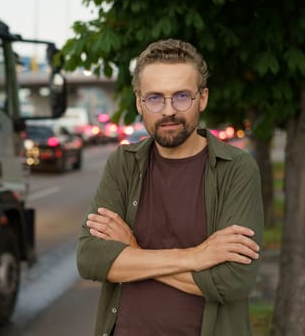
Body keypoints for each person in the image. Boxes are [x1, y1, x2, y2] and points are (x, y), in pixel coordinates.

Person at [76, 38, 263, 336]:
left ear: (202, 98)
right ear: (139, 101)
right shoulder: (123, 164)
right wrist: (196, 257)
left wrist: (133, 252)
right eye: (154, 98)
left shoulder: (236, 169)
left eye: (181, 97)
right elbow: (91, 259)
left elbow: (232, 281)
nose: (168, 111)